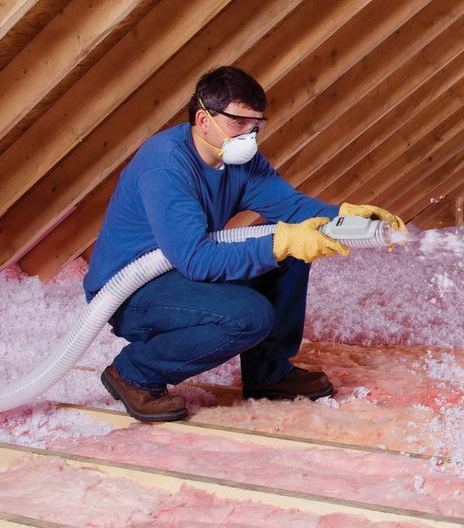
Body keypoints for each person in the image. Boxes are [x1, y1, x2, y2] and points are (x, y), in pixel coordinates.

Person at [83, 66, 405, 422]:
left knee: (291, 249)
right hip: (132, 292)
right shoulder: (166, 166)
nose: (249, 135)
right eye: (238, 123)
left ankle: (269, 373)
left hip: (179, 270)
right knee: (250, 316)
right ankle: (135, 373)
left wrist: (349, 217)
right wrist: (279, 242)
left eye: (256, 125)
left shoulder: (241, 161)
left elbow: (292, 207)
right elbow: (197, 260)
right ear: (203, 120)